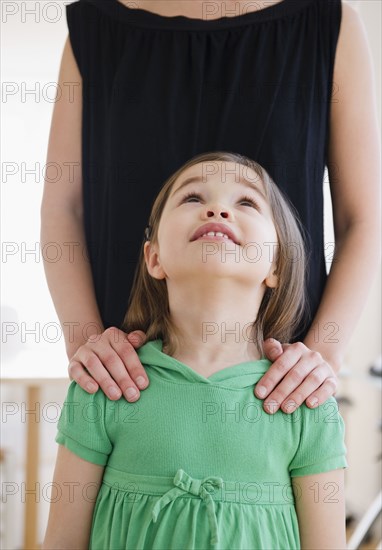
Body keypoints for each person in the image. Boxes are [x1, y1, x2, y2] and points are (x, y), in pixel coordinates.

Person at [40, 0, 381, 412]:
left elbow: (361, 219)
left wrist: (322, 353)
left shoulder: (331, 24)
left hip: (281, 390)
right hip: (127, 381)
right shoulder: (93, 28)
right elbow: (64, 208)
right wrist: (86, 342)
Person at [43, 152, 347, 549]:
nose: (217, 210)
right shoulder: (102, 388)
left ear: (275, 264)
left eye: (246, 202)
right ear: (154, 258)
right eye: (192, 199)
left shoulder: (309, 405)